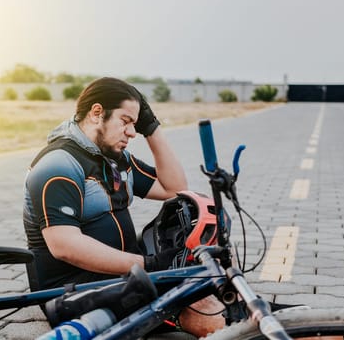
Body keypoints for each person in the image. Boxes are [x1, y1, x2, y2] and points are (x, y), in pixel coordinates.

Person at [22, 77, 224, 337]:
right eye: (126, 121)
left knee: (212, 282)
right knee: (197, 301)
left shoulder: (115, 160)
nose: (132, 132)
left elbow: (174, 188)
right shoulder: (58, 164)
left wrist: (152, 129)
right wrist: (147, 265)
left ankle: (264, 322)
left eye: (136, 124)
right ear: (97, 113)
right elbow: (64, 246)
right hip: (73, 289)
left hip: (118, 272)